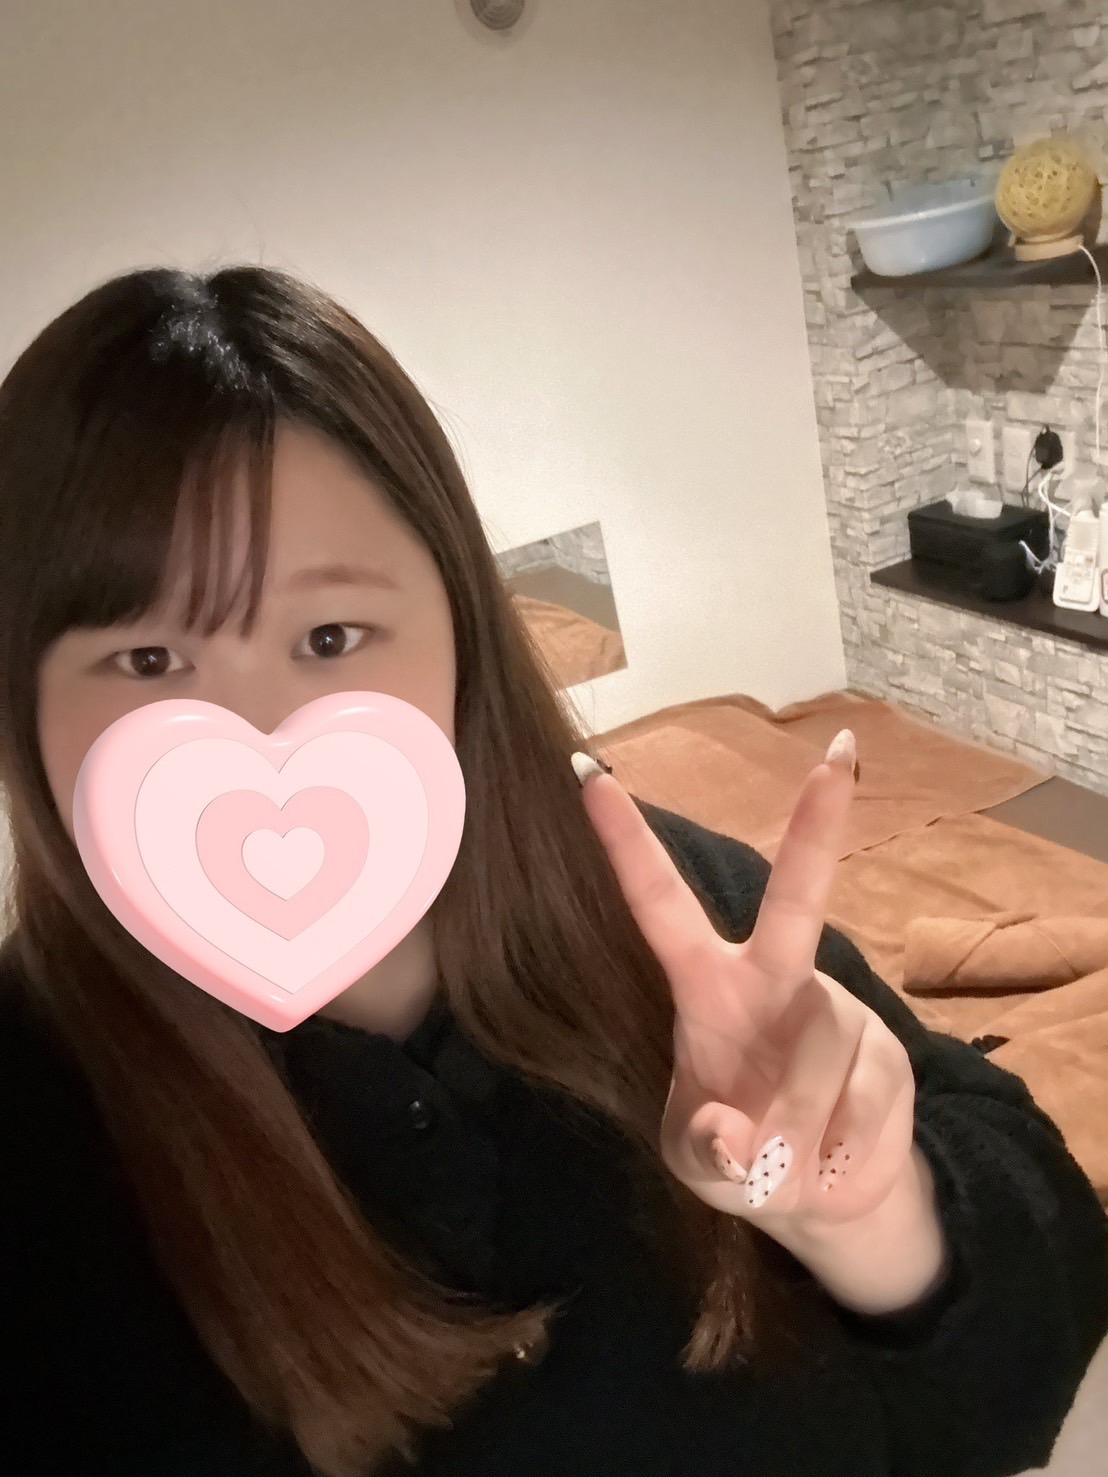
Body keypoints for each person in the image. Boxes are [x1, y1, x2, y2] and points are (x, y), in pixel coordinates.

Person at [0, 265, 1104, 1477]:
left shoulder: (670, 911)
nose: (261, 737)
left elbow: (1030, 1317)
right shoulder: (42, 1123)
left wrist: (878, 1222)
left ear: (460, 632)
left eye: (329, 636)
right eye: (148, 660)